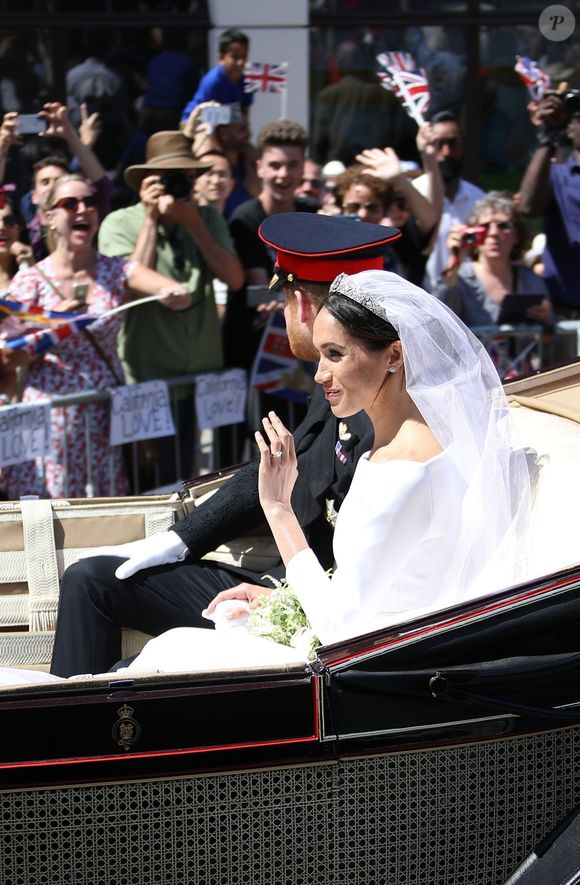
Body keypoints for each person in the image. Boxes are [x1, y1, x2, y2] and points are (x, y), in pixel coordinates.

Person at [123, 267, 532, 671]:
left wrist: (278, 509)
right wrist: (280, 598)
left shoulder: (405, 470)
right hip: (377, 650)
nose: (320, 373)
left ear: (393, 356)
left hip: (371, 670)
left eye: (335, 354)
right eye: (320, 354)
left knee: (168, 650)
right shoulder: (422, 446)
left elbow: (342, 630)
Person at [49, 213, 400, 677]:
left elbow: (368, 574)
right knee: (92, 579)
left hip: (326, 614)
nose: (322, 372)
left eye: (285, 299)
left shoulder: (383, 412)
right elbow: (283, 462)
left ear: (300, 304)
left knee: (135, 671)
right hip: (294, 583)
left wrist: (282, 593)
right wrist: (180, 539)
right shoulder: (340, 388)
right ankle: (64, 714)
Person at [1, 174, 194, 500]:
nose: (83, 209)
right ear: (49, 217)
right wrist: (54, 327)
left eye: (90, 202)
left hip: (105, 417)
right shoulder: (30, 281)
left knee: (105, 508)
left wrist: (174, 293)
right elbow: (8, 358)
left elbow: (175, 292)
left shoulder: (115, 270)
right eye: (70, 203)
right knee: (57, 511)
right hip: (52, 419)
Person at [99, 130, 243, 482]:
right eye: (172, 178)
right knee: (147, 485)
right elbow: (125, 288)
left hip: (197, 380)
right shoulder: (119, 223)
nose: (183, 186)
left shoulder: (206, 218)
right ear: (148, 182)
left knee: (188, 482)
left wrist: (194, 224)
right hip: (145, 381)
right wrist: (150, 220)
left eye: (188, 178)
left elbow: (235, 279)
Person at [222, 119, 308, 374]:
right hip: (251, 350)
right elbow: (262, 285)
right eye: (275, 165)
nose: (283, 174)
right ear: (259, 168)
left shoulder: (312, 214)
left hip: (302, 351)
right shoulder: (244, 219)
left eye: (292, 165)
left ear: (303, 168)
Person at [433, 191, 552, 328]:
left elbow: (550, 336)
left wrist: (546, 321)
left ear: (517, 235)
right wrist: (454, 258)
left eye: (503, 226)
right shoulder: (459, 278)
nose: (494, 233)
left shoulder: (530, 280)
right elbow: (437, 320)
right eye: (485, 226)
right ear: (473, 234)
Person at [518, 90, 580, 316]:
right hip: (566, 312)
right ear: (570, 127)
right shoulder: (556, 176)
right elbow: (527, 207)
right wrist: (548, 137)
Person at [412, 110, 485, 292]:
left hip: (467, 298)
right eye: (438, 144)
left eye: (453, 143)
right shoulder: (413, 195)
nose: (446, 152)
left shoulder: (478, 198)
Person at [180, 29, 253, 125]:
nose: (240, 62)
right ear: (221, 58)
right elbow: (205, 115)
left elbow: (245, 113)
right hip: (195, 122)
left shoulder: (247, 82)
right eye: (235, 57)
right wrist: (235, 117)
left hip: (226, 123)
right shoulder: (212, 81)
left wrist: (244, 129)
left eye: (244, 57)